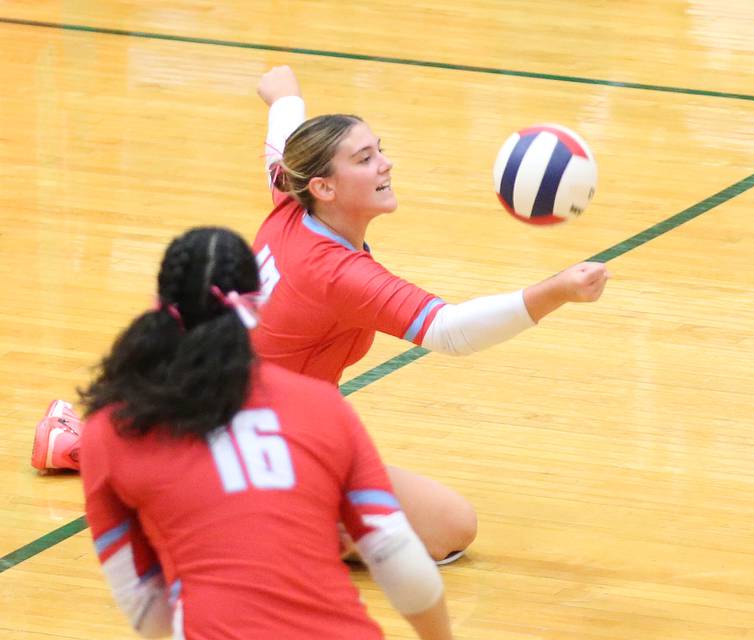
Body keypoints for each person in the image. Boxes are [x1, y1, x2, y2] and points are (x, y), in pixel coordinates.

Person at [34, 65, 610, 565]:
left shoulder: (291, 194)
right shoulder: (337, 272)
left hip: (224, 404)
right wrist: (554, 291)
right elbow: (450, 332)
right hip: (256, 434)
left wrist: (283, 94)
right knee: (450, 530)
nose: (386, 163)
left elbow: (281, 132)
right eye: (366, 158)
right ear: (325, 187)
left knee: (427, 525)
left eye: (379, 148)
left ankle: (142, 456)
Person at [77, 226, 462, 640]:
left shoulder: (111, 430)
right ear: (258, 304)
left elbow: (148, 618)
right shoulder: (321, 405)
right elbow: (399, 560)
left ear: (160, 306)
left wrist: (210, 566)